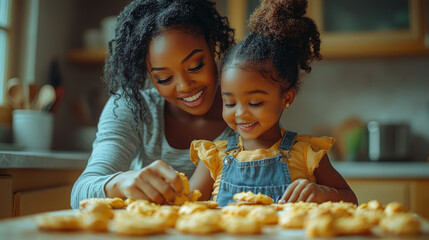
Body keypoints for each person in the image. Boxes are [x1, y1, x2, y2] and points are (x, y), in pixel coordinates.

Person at [188, 0, 357, 207]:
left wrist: (324, 193)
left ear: (287, 98)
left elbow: (351, 200)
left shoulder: (306, 154)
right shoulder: (214, 158)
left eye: (255, 102)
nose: (240, 113)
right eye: (229, 103)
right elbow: (184, 206)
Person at [70, 0, 235, 209]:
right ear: (147, 72)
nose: (185, 86)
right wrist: (120, 182)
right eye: (165, 78)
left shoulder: (249, 108)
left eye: (195, 66)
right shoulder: (132, 108)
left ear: (212, 45)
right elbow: (80, 193)